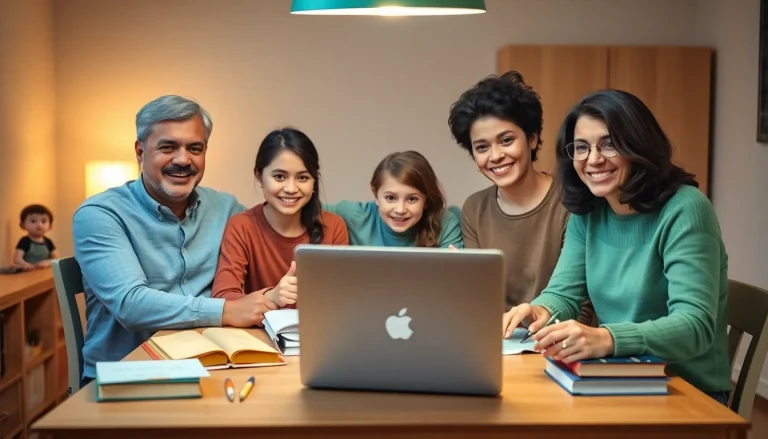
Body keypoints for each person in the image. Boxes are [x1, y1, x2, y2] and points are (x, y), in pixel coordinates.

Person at [502, 89, 731, 404]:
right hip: (617, 377)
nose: (593, 159)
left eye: (608, 144)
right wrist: (540, 310)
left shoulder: (686, 209)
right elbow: (564, 294)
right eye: (581, 147)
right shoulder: (590, 211)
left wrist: (607, 338)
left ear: (639, 145)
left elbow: (696, 326)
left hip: (687, 391)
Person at [72, 95, 272, 387]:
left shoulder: (228, 209)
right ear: (140, 152)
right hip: (127, 377)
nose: (183, 159)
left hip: (211, 370)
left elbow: (271, 241)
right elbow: (131, 304)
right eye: (167, 147)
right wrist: (227, 310)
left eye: (195, 148)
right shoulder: (100, 214)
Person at [447, 71, 593, 320]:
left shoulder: (571, 201)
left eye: (506, 140)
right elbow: (482, 298)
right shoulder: (475, 208)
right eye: (482, 147)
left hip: (560, 342)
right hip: (500, 342)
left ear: (532, 139)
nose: (495, 156)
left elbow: (583, 302)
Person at [212, 128, 349, 309]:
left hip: (316, 333)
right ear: (259, 176)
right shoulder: (242, 226)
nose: (291, 188)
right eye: (279, 176)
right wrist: (271, 296)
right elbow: (222, 298)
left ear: (314, 181)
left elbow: (343, 297)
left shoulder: (333, 226)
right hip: (258, 332)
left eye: (302, 177)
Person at [324, 150, 462, 248]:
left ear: (426, 199)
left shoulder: (445, 223)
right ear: (375, 195)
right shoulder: (355, 215)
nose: (400, 209)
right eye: (390, 198)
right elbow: (309, 207)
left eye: (412, 199)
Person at [14, 204, 58, 270]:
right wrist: (25, 264)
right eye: (33, 221)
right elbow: (17, 259)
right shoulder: (24, 241)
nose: (39, 225)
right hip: (28, 273)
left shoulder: (48, 242)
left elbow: (56, 258)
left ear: (50, 225)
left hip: (45, 272)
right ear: (22, 225)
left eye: (43, 221)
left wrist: (48, 262)